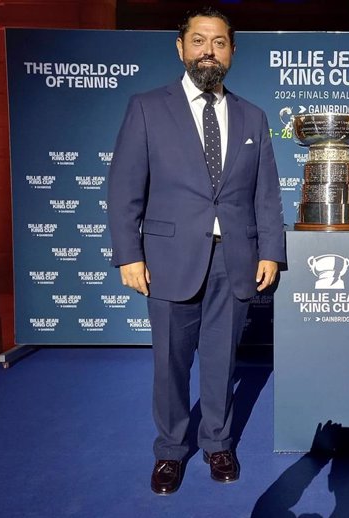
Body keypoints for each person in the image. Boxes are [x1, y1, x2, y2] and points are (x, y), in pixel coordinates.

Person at [108, 6, 285, 495]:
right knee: (170, 362)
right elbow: (124, 188)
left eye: (220, 42)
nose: (210, 50)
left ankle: (218, 441)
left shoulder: (252, 115)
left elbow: (265, 193)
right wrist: (128, 254)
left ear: (231, 50)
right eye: (200, 40)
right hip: (167, 259)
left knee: (221, 360)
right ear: (181, 47)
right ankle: (170, 451)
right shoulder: (147, 107)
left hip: (235, 259)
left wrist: (270, 250)